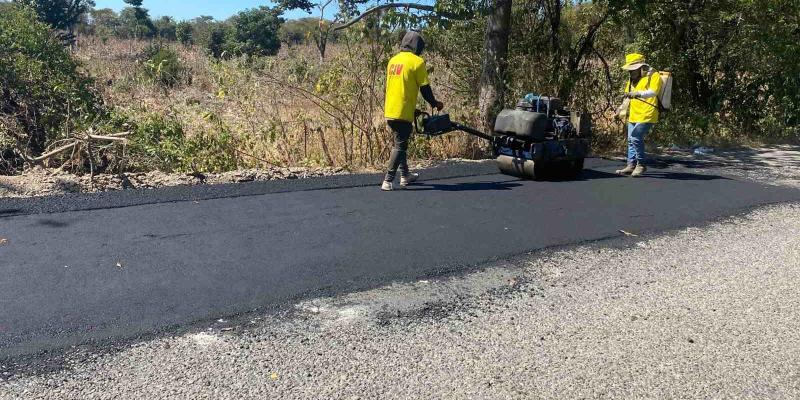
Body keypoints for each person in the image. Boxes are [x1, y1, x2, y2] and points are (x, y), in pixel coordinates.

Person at [381, 30, 444, 191]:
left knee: (400, 142)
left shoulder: (393, 61)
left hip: (390, 109)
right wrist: (435, 103)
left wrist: (412, 108)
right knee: (400, 145)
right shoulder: (417, 62)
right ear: (418, 47)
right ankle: (388, 180)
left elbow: (399, 88)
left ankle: (405, 176)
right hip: (402, 112)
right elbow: (425, 89)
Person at [616, 53, 663, 177]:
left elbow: (653, 92)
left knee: (635, 137)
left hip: (648, 112)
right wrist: (620, 109)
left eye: (633, 69)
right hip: (634, 113)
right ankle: (631, 165)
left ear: (641, 67)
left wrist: (638, 93)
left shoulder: (654, 75)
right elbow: (627, 96)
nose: (631, 72)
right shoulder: (632, 78)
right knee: (631, 140)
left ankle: (641, 165)